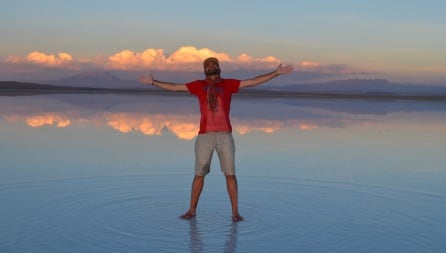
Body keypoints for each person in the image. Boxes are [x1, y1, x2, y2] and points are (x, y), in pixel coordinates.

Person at [139, 57, 293, 222]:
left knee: (230, 174)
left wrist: (276, 73)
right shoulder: (198, 86)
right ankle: (191, 210)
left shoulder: (228, 84)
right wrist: (154, 82)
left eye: (214, 64)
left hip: (225, 136)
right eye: (208, 65)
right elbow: (176, 87)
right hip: (205, 136)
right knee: (199, 174)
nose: (211, 67)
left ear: (219, 68)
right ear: (204, 69)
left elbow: (252, 82)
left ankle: (235, 212)